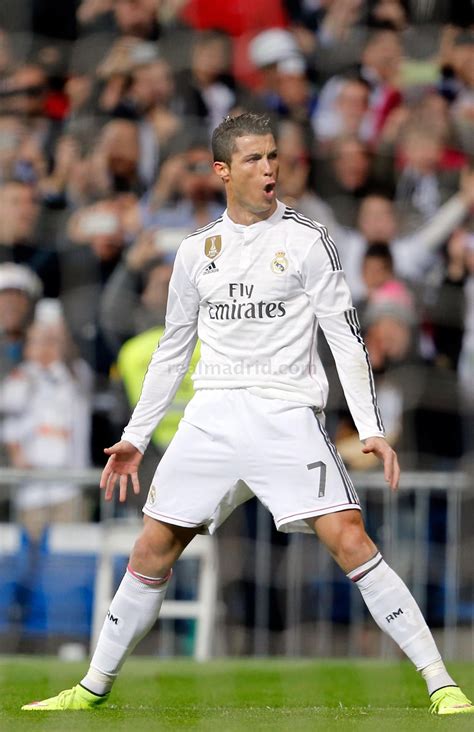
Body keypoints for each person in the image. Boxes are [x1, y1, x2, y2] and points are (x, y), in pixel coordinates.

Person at [21, 113, 473, 715]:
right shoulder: (193, 253)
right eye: (255, 159)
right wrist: (135, 435)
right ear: (222, 171)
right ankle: (90, 688)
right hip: (210, 416)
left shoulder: (309, 240)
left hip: (286, 413)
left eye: (273, 156)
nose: (269, 169)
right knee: (150, 550)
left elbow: (346, 338)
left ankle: (441, 683)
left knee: (351, 538)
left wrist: (369, 428)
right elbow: (171, 349)